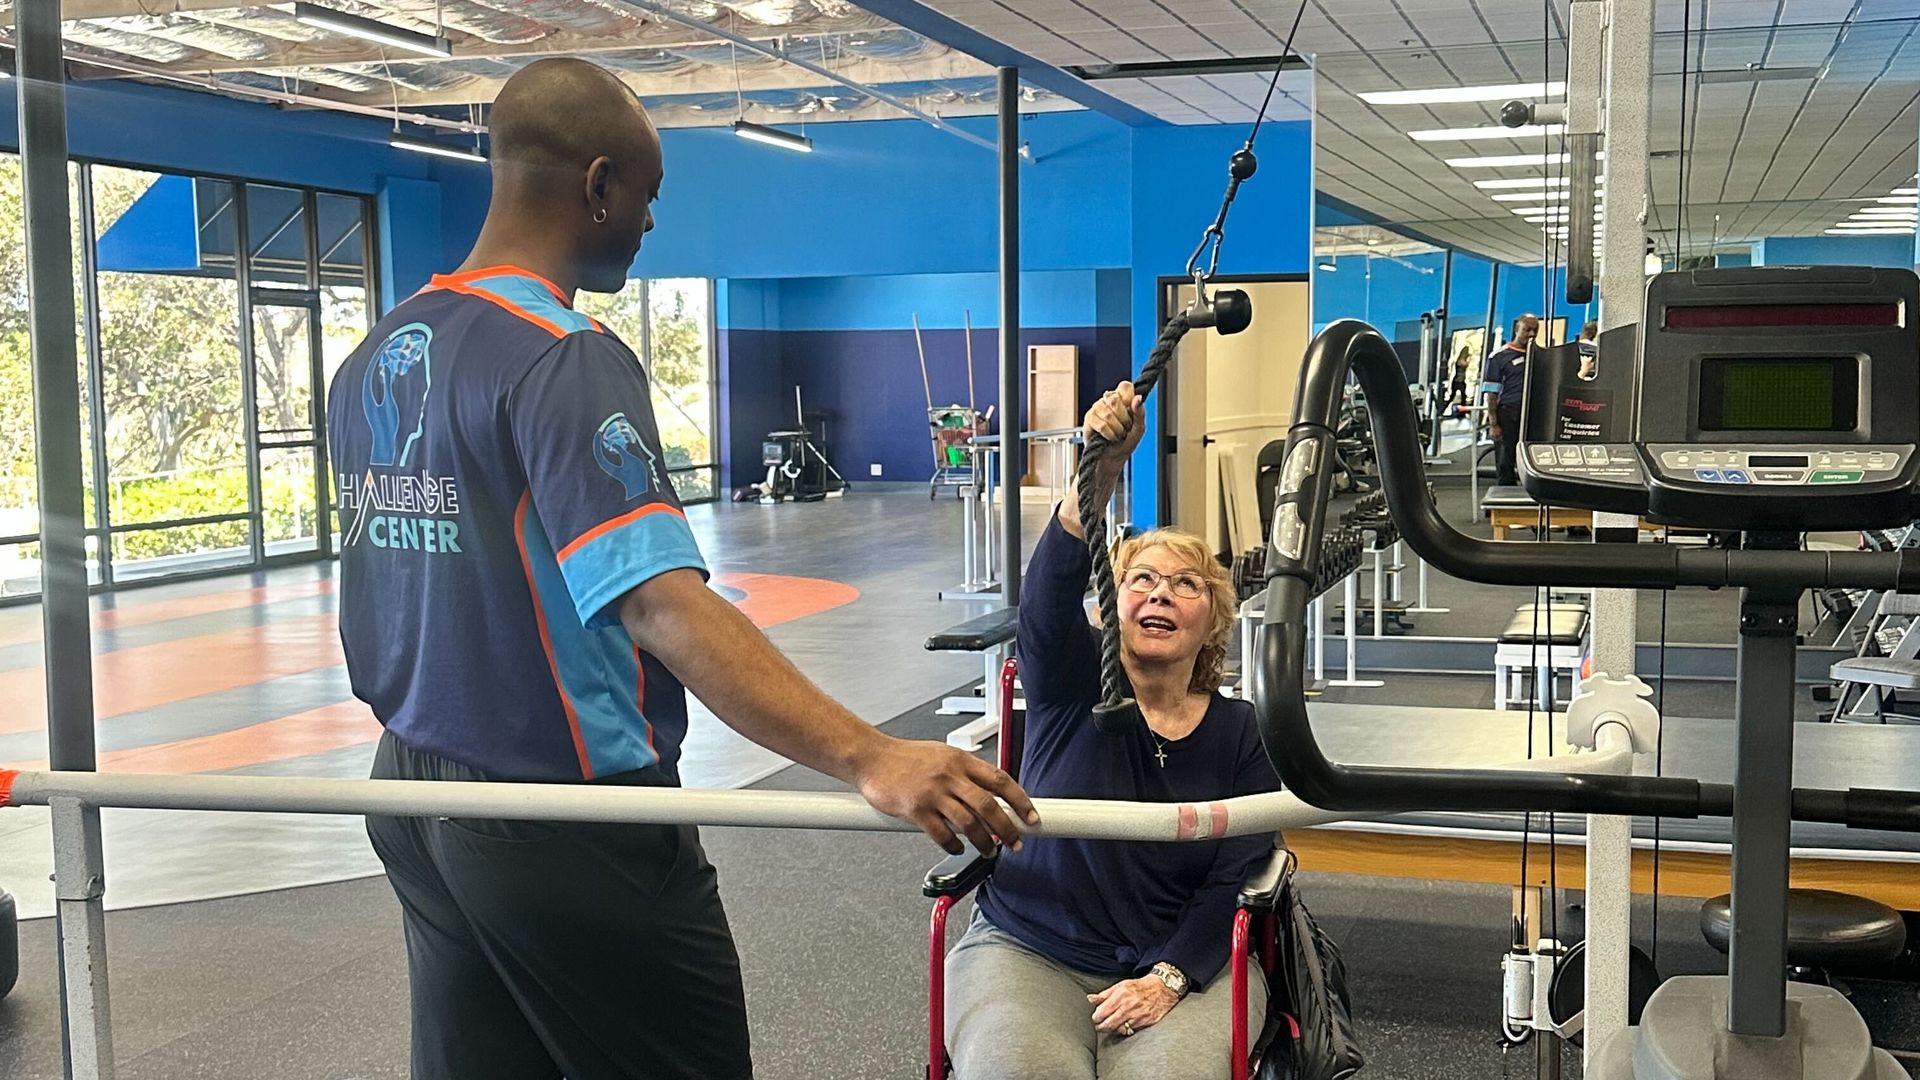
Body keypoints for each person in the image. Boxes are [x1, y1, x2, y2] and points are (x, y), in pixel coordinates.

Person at [326, 58, 1035, 1080]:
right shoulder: (562, 354)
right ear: (598, 184)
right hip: (566, 818)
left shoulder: (379, 352)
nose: (650, 224)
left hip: (410, 797)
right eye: (648, 198)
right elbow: (660, 605)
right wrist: (871, 755)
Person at [943, 381, 1283, 1080]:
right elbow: (1043, 602)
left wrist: (1170, 976)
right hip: (1028, 947)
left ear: (1213, 621)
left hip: (1181, 963)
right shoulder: (1070, 685)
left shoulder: (1241, 732)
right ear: (1113, 605)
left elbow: (1235, 876)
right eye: (1142, 580)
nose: (1160, 592)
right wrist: (1093, 480)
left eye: (1186, 585)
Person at [1482, 314, 1539, 485]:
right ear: (1516, 330)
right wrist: (1493, 424)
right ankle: (1503, 498)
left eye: (1534, 330)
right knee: (1505, 461)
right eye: (1526, 330)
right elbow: (1491, 394)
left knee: (1531, 459)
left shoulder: (1538, 355)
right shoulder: (1498, 357)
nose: (1531, 334)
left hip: (1531, 415)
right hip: (1507, 414)